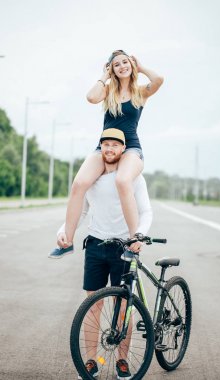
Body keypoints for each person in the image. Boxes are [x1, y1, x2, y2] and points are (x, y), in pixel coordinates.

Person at [50, 129, 153, 379]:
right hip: (95, 246)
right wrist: (64, 230)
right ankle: (91, 361)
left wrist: (138, 235)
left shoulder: (132, 179)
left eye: (114, 146)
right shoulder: (91, 178)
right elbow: (81, 211)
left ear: (123, 149)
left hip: (123, 248)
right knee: (93, 306)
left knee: (122, 308)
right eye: (105, 145)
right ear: (100, 148)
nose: (109, 149)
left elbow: (146, 212)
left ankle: (122, 361)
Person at [64, 49, 163, 252]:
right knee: (79, 184)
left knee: (122, 180)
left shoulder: (140, 92)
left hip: (131, 148)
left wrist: (141, 66)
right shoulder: (108, 91)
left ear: (131, 65)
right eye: (116, 64)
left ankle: (133, 241)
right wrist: (104, 76)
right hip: (105, 146)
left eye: (125, 62)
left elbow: (159, 79)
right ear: (112, 69)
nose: (122, 66)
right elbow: (91, 97)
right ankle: (66, 240)